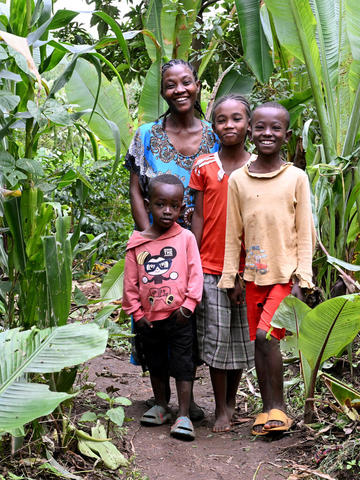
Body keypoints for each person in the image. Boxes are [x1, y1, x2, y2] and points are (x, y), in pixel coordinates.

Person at [125, 59, 219, 418]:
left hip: (199, 245)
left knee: (188, 319)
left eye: (186, 82)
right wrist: (150, 238)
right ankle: (162, 399)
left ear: (197, 85)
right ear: (162, 91)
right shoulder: (146, 135)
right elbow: (135, 189)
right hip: (152, 246)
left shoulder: (214, 135)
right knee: (153, 316)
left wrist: (186, 243)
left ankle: (187, 402)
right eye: (170, 84)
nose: (179, 90)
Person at [218, 102, 315, 435]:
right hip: (252, 277)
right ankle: (267, 409)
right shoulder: (237, 181)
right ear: (250, 131)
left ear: (286, 136)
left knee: (265, 336)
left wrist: (304, 277)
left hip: (286, 276)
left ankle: (279, 409)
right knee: (260, 344)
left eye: (275, 128)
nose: (267, 134)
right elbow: (233, 233)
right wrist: (230, 277)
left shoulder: (296, 178)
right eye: (260, 127)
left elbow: (305, 233)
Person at [190, 94, 255, 433]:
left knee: (240, 340)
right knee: (215, 341)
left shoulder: (260, 166)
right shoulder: (203, 166)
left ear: (249, 124)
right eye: (221, 120)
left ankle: (231, 400)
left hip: (250, 270)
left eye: (237, 119)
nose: (229, 125)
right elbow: (199, 216)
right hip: (211, 267)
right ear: (212, 126)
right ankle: (221, 408)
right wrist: (193, 261)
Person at [122, 174, 203, 440]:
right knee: (155, 362)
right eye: (160, 204)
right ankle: (160, 405)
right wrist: (136, 313)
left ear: (181, 207)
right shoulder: (138, 243)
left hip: (179, 315)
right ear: (147, 204)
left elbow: (195, 274)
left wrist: (188, 306)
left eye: (174, 205)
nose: (167, 211)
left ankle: (183, 414)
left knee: (183, 363)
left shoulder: (186, 238)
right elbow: (131, 283)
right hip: (149, 318)